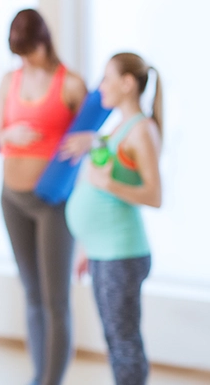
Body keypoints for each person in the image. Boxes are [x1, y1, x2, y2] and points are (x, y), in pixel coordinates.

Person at [0, 9, 88, 385]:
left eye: (28, 51)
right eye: (18, 53)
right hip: (11, 198)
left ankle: (51, 381)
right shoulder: (8, 80)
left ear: (43, 42)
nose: (24, 60)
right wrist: (9, 135)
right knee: (31, 293)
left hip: (53, 203)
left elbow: (86, 145)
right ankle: (39, 376)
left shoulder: (71, 84)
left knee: (55, 300)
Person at [63, 52, 163, 385]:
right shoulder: (119, 127)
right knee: (114, 338)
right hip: (104, 251)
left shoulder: (142, 130)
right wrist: (87, 247)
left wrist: (109, 183)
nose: (100, 86)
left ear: (127, 83)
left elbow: (154, 195)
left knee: (124, 342)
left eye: (106, 78)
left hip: (123, 252)